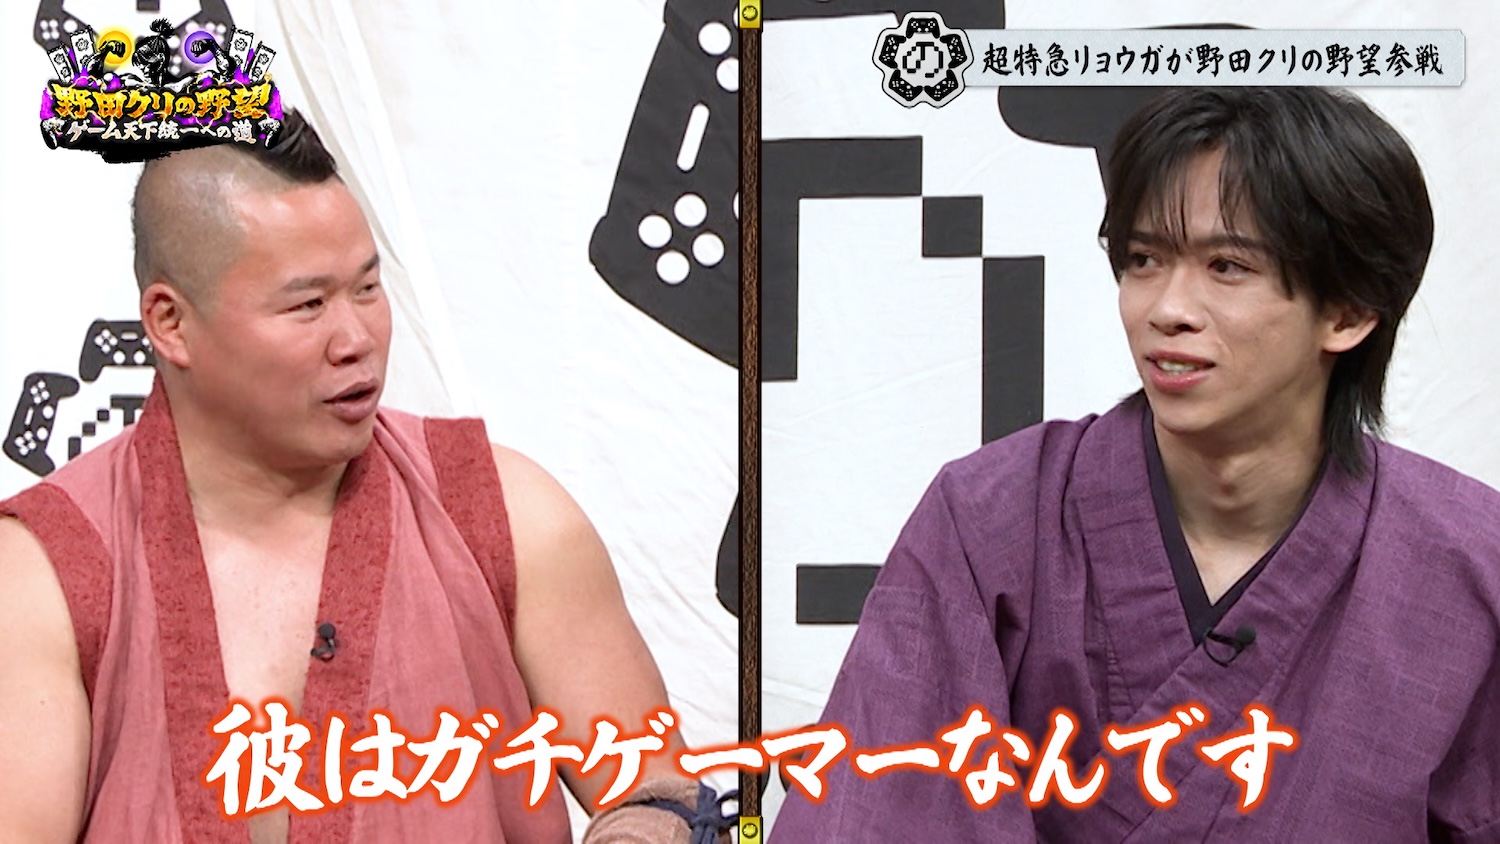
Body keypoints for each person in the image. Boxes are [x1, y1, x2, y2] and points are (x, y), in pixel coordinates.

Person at [771, 87, 1500, 841]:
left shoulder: (1472, 566)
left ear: (1347, 311)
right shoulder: (991, 517)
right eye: (1145, 260)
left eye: (1226, 266)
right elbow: (886, 806)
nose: (1166, 309)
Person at [0, 112, 730, 843]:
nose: (356, 340)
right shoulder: (42, 577)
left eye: (368, 289)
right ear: (170, 323)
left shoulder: (509, 516)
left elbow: (659, 793)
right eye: (308, 304)